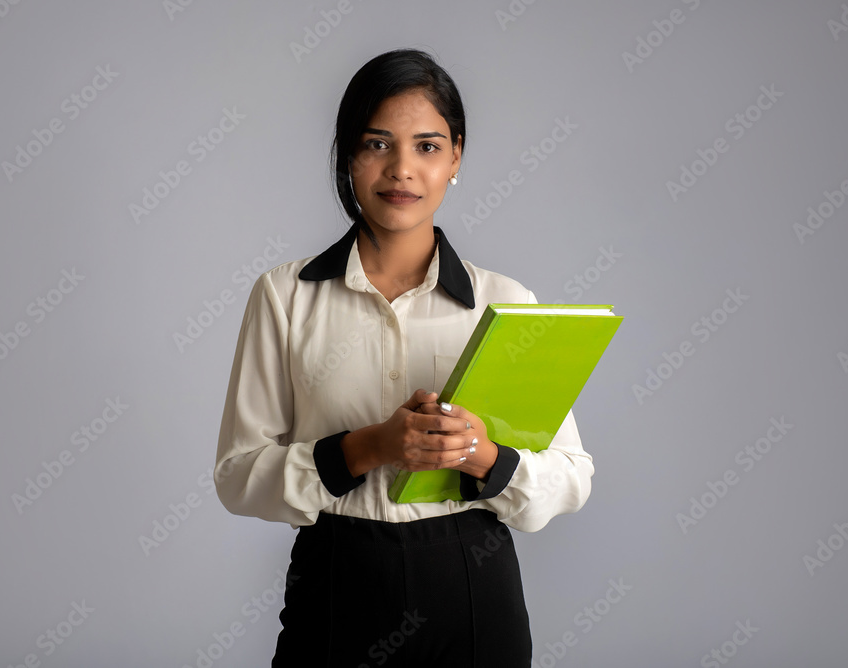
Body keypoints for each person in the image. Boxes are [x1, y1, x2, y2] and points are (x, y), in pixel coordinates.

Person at [214, 47, 594, 667]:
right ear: (347, 155)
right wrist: (371, 446)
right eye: (377, 143)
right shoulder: (283, 296)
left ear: (456, 158)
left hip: (473, 589)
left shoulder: (507, 304)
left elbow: (573, 476)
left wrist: (482, 455)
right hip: (336, 584)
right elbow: (238, 477)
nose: (402, 170)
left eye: (426, 146)